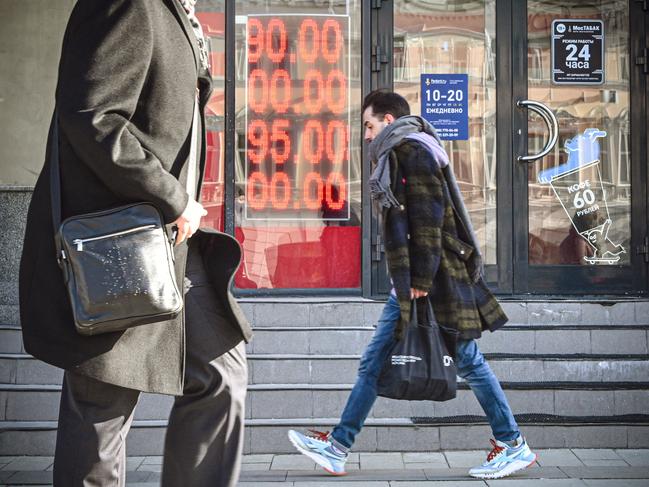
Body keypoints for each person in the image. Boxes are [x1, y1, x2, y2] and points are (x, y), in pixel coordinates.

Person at [18, 1, 252, 486]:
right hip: (117, 244)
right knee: (102, 406)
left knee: (220, 373)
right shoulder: (128, 3)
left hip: (169, 244)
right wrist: (172, 197)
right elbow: (93, 115)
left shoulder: (176, 12)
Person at [288, 90, 537, 480]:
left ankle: (513, 444)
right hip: (418, 281)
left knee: (465, 361)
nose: (367, 135)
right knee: (386, 362)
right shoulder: (404, 151)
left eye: (369, 126)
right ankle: (337, 446)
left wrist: (418, 280)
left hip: (430, 282)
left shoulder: (411, 151)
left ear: (389, 121)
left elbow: (427, 219)